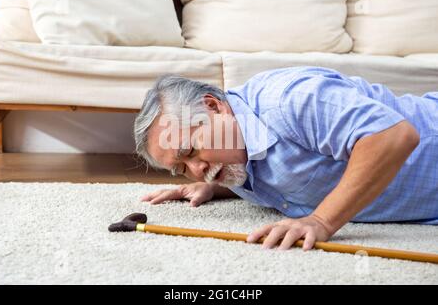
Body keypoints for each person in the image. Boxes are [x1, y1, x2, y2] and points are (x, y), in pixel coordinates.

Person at [133, 67, 438, 251]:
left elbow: (393, 137)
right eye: (180, 168)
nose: (196, 170)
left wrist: (321, 221)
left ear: (213, 106)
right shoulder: (230, 154)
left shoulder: (289, 100)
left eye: (189, 152)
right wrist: (214, 187)